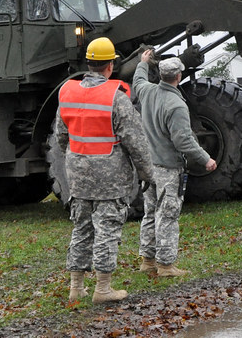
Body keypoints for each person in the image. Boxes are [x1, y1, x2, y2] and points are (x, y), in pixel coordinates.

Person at [58, 37, 153, 303]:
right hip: (110, 178)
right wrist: (146, 174)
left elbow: (60, 136)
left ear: (88, 64)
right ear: (110, 65)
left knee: (82, 228)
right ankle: (102, 289)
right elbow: (137, 143)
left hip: (77, 175)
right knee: (107, 230)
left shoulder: (67, 92)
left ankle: (76, 288)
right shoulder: (117, 97)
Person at [133, 49, 217, 277]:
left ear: (160, 75)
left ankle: (147, 260)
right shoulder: (176, 105)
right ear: (179, 76)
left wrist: (143, 63)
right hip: (168, 169)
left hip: (149, 167)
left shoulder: (147, 92)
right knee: (168, 214)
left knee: (150, 212)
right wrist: (206, 159)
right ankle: (166, 266)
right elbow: (184, 141)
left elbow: (138, 80)